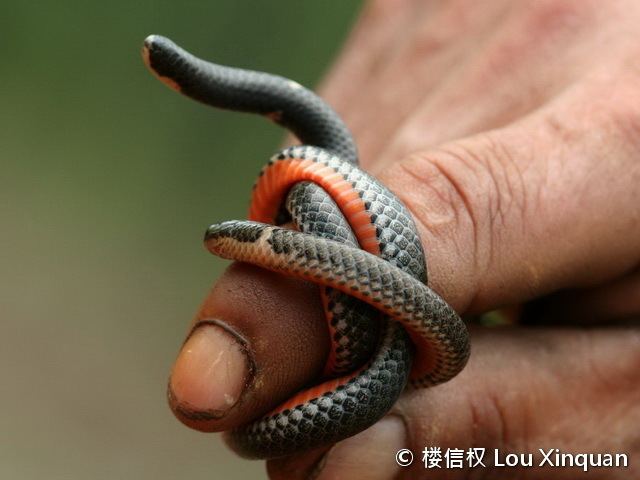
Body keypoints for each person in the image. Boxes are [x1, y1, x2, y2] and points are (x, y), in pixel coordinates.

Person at [166, 1, 640, 478]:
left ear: (254, 240)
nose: (219, 242)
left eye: (226, 239)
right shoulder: (311, 204)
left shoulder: (309, 204)